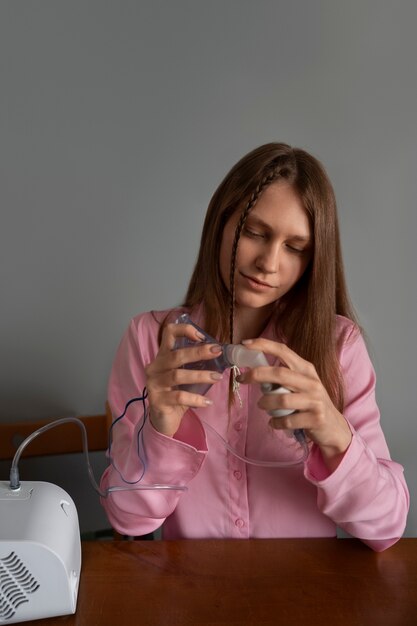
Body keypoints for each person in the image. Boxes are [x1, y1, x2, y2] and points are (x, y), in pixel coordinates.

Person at [100, 142, 409, 551]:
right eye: (255, 233)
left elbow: (386, 530)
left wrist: (335, 434)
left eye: (295, 248)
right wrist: (160, 426)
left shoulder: (339, 346)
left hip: (305, 595)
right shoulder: (150, 339)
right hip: (192, 594)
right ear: (221, 223)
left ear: (314, 259)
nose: (269, 262)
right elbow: (129, 518)